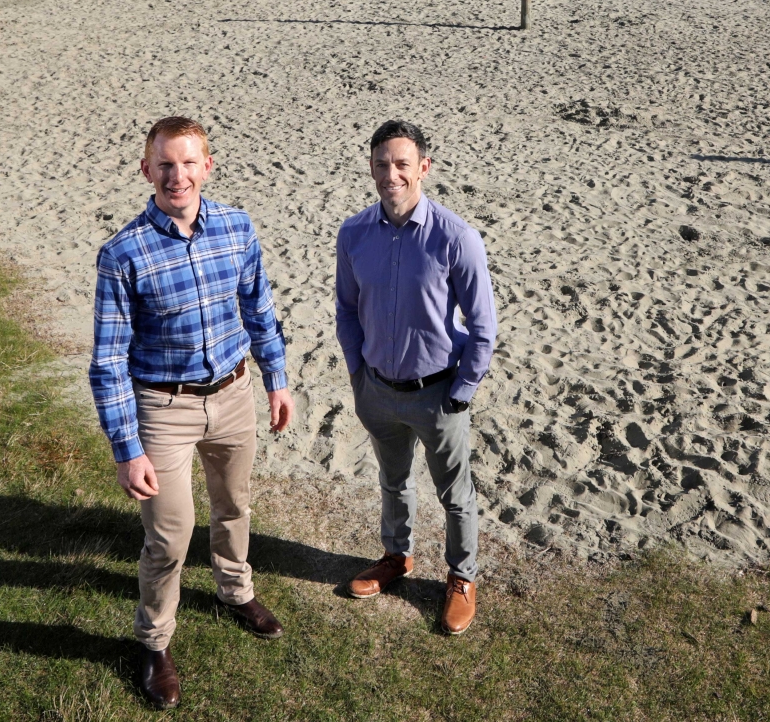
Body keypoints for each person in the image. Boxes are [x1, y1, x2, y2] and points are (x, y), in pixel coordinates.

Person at [89, 116, 295, 709]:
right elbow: (107, 362)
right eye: (165, 164)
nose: (177, 175)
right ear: (147, 170)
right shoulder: (122, 253)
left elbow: (259, 308)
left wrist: (276, 380)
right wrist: (128, 449)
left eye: (188, 162)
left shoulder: (236, 227)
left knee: (233, 506)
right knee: (170, 537)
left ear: (207, 166)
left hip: (234, 395)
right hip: (162, 408)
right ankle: (154, 642)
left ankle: (235, 590)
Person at [335, 119, 497, 635]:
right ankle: (396, 558)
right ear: (372, 168)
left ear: (423, 167)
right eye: (382, 164)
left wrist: (462, 393)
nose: (392, 174)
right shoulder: (354, 233)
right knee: (393, 480)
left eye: (402, 164)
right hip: (378, 391)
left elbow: (484, 326)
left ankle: (461, 577)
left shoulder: (457, 238)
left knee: (455, 494)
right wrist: (359, 373)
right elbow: (346, 309)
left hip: (438, 395)